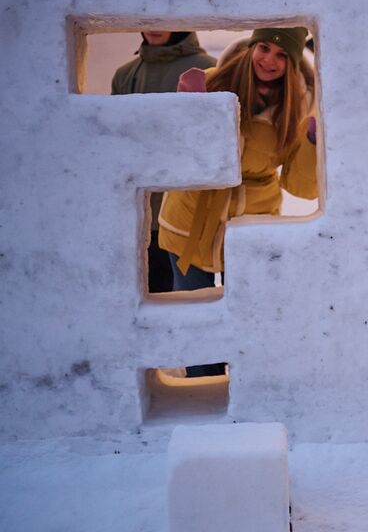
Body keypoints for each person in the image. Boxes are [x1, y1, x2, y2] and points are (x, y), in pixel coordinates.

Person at [158, 27, 318, 376]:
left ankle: (251, 393)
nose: (269, 61)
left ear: (291, 65)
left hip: (250, 227)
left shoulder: (299, 106)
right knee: (197, 317)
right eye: (263, 48)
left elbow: (300, 186)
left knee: (249, 316)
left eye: (281, 56)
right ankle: (203, 387)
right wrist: (190, 107)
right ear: (250, 47)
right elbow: (176, 155)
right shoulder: (212, 83)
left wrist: (311, 143)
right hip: (190, 218)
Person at [111, 31, 216, 293]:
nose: (154, 27)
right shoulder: (126, 75)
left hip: (193, 219)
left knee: (195, 306)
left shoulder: (210, 69)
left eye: (163, 19)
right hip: (141, 216)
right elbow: (114, 144)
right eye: (147, 20)